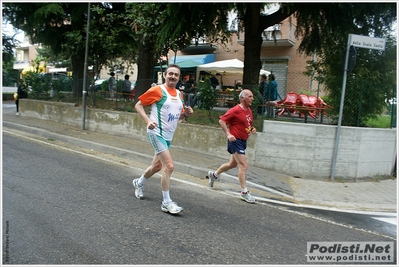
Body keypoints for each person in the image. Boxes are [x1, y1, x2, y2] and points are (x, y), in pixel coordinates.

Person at [133, 64, 194, 214]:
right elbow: (138, 105)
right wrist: (148, 121)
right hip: (156, 132)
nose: (173, 77)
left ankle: (139, 182)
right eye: (170, 74)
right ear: (165, 75)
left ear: (179, 78)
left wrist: (186, 114)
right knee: (169, 166)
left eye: (176, 75)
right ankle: (166, 202)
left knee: (157, 167)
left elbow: (176, 116)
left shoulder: (180, 94)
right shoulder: (157, 90)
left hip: (168, 135)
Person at [207, 89, 257, 203]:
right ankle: (244, 192)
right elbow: (222, 121)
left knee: (232, 164)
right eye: (250, 96)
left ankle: (214, 175)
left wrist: (252, 129)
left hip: (243, 141)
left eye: (252, 96)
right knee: (243, 165)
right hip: (235, 141)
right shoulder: (235, 110)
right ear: (242, 98)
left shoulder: (249, 110)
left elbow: (247, 124)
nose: (252, 99)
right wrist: (228, 134)